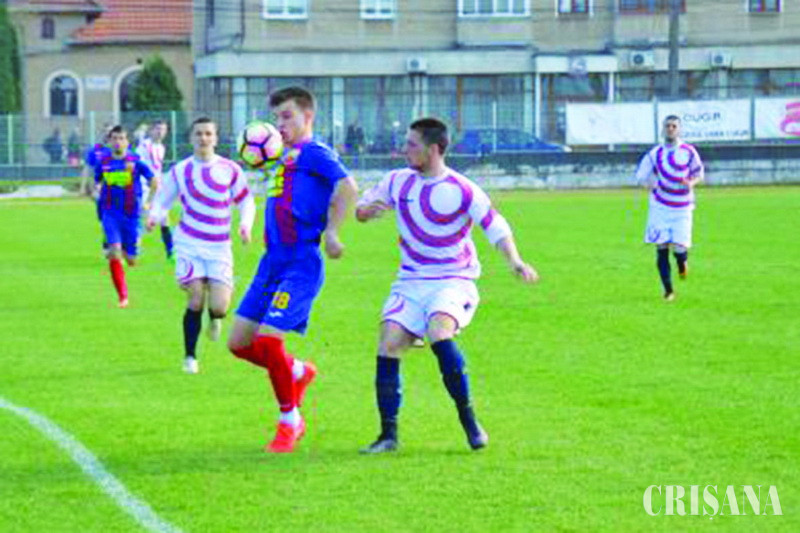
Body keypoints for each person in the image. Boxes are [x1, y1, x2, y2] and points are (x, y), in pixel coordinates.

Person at [356, 117, 539, 454]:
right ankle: (388, 436)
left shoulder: (462, 188)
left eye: (412, 144)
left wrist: (515, 261)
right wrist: (368, 212)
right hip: (411, 280)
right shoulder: (397, 181)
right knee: (389, 343)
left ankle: (470, 422)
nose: (404, 150)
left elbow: (495, 226)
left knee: (438, 332)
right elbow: (361, 209)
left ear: (434, 149)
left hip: (454, 280)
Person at [227, 86, 358, 453]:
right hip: (271, 261)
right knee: (239, 344)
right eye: (276, 118)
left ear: (308, 117)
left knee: (269, 341)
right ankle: (297, 371)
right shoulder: (282, 155)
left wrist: (332, 232)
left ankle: (290, 420)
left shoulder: (316, 152)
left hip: (301, 263)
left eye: (287, 116)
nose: (279, 124)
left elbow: (348, 188)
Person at [147, 117, 255, 375]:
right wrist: (153, 216)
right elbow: (162, 200)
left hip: (219, 247)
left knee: (219, 307)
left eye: (208, 133)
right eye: (198, 133)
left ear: (215, 138)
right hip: (188, 244)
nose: (203, 138)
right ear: (191, 138)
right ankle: (190, 357)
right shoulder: (180, 170)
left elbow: (246, 201)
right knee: (195, 298)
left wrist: (245, 224)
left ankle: (215, 318)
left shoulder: (230, 169)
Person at [634, 115, 704, 301]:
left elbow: (699, 173)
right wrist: (651, 184)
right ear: (663, 129)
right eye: (667, 126)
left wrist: (691, 183)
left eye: (674, 126)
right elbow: (640, 175)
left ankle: (682, 263)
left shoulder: (688, 151)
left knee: (679, 248)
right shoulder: (655, 153)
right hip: (660, 207)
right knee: (662, 246)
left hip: (683, 207)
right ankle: (668, 291)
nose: (670, 129)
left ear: (679, 129)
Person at [93, 125, 155, 308]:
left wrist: (148, 202)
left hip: (131, 214)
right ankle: (123, 296)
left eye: (121, 138)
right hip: (110, 212)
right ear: (109, 141)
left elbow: (154, 181)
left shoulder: (135, 161)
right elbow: (97, 181)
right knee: (114, 251)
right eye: (114, 138)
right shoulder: (103, 162)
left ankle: (135, 243)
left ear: (127, 141)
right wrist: (96, 190)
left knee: (131, 260)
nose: (118, 142)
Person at [137, 120, 175, 260]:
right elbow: (139, 164)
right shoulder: (145, 145)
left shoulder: (161, 147)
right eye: (158, 129)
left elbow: (157, 168)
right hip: (144, 186)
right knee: (143, 217)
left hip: (157, 187)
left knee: (164, 219)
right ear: (152, 130)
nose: (160, 132)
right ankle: (133, 247)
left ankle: (170, 251)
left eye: (163, 129)